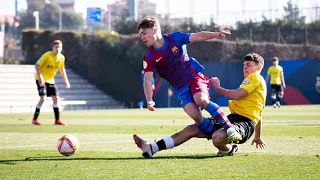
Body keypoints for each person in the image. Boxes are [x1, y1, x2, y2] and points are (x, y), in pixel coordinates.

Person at [133, 53, 267, 158]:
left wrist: (218, 88)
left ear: (258, 67)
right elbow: (259, 114)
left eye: (248, 65)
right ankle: (152, 148)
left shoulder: (255, 77)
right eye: (243, 65)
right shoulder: (256, 85)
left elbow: (237, 95)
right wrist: (257, 136)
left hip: (244, 124)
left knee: (217, 137)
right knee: (193, 129)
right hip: (232, 119)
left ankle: (229, 149)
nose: (244, 67)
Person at [137, 16, 241, 142]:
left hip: (194, 78)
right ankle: (222, 139)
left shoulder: (174, 38)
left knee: (201, 100)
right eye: (140, 35)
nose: (142, 37)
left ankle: (230, 129)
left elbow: (199, 36)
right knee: (196, 117)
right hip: (180, 89)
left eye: (144, 33)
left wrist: (216, 34)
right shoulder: (149, 57)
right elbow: (147, 80)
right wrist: (149, 100)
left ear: (155, 29)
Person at [32, 40, 70, 125]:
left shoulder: (61, 58)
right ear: (52, 48)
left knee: (55, 99)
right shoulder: (47, 55)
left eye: (59, 47)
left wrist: (66, 81)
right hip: (40, 79)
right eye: (56, 47)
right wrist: (40, 76)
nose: (57, 49)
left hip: (50, 80)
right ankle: (35, 119)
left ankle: (57, 120)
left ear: (61, 48)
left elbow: (61, 69)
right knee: (42, 99)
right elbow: (37, 65)